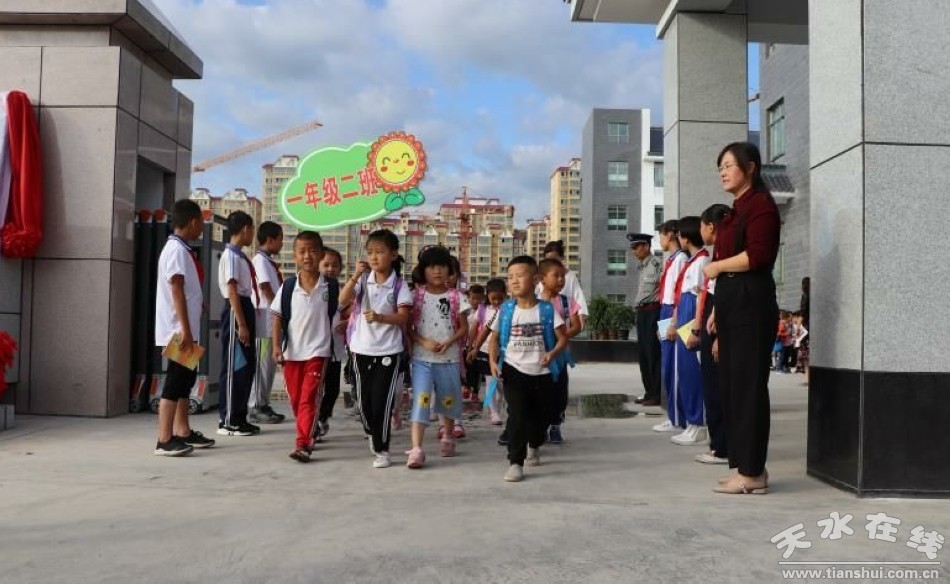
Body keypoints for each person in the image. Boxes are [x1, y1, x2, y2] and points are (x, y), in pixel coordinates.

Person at [703, 141, 781, 495]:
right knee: (732, 387)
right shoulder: (735, 211)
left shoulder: (761, 205)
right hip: (732, 303)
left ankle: (752, 473)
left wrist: (717, 266)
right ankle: (744, 466)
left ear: (750, 168)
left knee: (748, 388)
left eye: (729, 165)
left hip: (752, 304)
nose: (723, 172)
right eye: (720, 166)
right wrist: (716, 311)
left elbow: (758, 255)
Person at [488, 256, 569, 483]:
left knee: (540, 417)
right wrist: (493, 361)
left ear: (535, 280)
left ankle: (535, 443)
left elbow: (563, 338)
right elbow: (494, 339)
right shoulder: (506, 310)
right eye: (510, 277)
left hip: (543, 373)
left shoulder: (546, 310)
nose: (514, 281)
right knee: (517, 415)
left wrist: (552, 354)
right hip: (513, 370)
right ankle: (515, 462)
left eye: (520, 276)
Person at [339, 229, 412, 469]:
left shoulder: (399, 285)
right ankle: (372, 431)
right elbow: (342, 300)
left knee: (382, 402)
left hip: (389, 351)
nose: (374, 257)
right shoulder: (362, 280)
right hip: (360, 349)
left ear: (393, 255)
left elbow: (403, 317)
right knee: (363, 402)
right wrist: (355, 275)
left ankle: (382, 449)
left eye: (379, 252)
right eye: (370, 252)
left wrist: (380, 317)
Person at [153, 199, 215, 456]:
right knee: (175, 382)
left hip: (184, 328)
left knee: (185, 381)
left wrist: (199, 303)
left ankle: (182, 431)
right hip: (179, 331)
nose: (201, 228)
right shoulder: (176, 250)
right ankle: (164, 439)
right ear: (192, 222)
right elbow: (176, 288)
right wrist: (186, 331)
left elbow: (185, 288)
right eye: (200, 222)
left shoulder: (180, 249)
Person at [270, 231, 338, 463]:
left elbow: (341, 311)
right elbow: (277, 317)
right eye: (302, 251)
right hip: (292, 353)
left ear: (321, 254)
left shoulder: (330, 287)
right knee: (297, 400)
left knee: (309, 397)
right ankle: (310, 427)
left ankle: (303, 444)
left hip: (318, 352)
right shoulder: (288, 287)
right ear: (295, 256)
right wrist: (276, 346)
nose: (307, 256)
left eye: (312, 251)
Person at [405, 246, 470, 469]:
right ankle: (416, 448)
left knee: (448, 399)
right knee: (421, 399)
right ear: (423, 270)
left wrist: (449, 342)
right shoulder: (415, 297)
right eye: (432, 267)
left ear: (449, 270)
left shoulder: (457, 297)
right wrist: (423, 341)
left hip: (449, 359)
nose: (437, 271)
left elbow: (464, 328)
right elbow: (408, 328)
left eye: (442, 266)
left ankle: (448, 436)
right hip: (422, 359)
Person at [686, 204, 732, 465]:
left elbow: (723, 297)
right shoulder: (720, 253)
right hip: (711, 321)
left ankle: (722, 448)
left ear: (710, 227)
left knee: (717, 390)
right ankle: (718, 444)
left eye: (702, 226)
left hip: (718, 328)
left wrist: (718, 337)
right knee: (711, 388)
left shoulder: (724, 257)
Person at [217, 211, 260, 437]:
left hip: (245, 307)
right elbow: (232, 290)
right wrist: (241, 324)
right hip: (237, 310)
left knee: (246, 367)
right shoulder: (231, 256)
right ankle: (228, 419)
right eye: (252, 230)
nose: (252, 234)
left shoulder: (240, 256)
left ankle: (240, 416)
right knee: (235, 367)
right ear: (245, 229)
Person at [669, 216, 710, 446]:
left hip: (692, 317)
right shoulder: (693, 262)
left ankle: (699, 423)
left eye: (680, 235)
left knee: (694, 372)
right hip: (684, 313)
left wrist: (696, 328)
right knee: (684, 372)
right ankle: (691, 422)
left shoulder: (702, 262)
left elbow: (701, 296)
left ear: (686, 237)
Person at [537, 258, 581, 444]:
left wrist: (560, 338)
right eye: (556, 275)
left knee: (559, 391)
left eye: (563, 276)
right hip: (538, 356)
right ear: (542, 278)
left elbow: (577, 325)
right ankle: (540, 426)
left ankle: (555, 425)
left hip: (560, 357)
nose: (561, 280)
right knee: (540, 391)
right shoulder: (534, 302)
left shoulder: (566, 302)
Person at [651, 220, 688, 432]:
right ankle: (673, 415)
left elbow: (679, 294)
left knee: (673, 368)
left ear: (671, 235)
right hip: (665, 310)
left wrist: (673, 322)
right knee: (667, 366)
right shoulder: (672, 259)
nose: (660, 241)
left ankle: (677, 418)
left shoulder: (681, 259)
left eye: (661, 236)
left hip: (672, 311)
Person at [249, 221, 286, 425]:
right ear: (270, 240)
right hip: (264, 320)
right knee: (262, 365)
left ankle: (263, 403)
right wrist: (277, 308)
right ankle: (255, 406)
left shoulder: (267, 261)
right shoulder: (260, 261)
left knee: (269, 366)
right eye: (280, 239)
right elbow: (265, 287)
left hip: (271, 321)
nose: (281, 244)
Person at [315, 247, 346, 441]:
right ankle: (314, 424)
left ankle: (323, 416)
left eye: (335, 265)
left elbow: (353, 311)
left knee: (333, 389)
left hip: (335, 349)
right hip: (316, 349)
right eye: (326, 264)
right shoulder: (313, 288)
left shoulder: (342, 290)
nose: (330, 269)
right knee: (314, 389)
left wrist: (347, 321)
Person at [468, 278, 507, 429]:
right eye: (493, 298)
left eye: (500, 298)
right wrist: (472, 346)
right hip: (485, 350)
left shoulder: (508, 309)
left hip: (504, 352)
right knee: (491, 381)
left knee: (502, 384)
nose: (497, 301)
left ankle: (499, 404)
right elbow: (476, 328)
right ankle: (493, 412)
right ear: (487, 296)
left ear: (505, 295)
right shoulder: (483, 309)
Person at [628, 233, 662, 407]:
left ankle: (657, 394)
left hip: (653, 311)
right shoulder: (642, 266)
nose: (634, 251)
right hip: (642, 312)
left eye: (636, 247)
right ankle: (649, 391)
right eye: (632, 248)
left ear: (647, 246)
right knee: (643, 355)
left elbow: (664, 289)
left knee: (652, 354)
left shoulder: (657, 265)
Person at [538, 240, 589, 325]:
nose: (551, 262)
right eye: (548, 260)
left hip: (565, 320)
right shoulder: (543, 277)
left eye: (554, 259)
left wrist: (581, 316)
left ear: (561, 258)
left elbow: (578, 297)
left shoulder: (571, 276)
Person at [463, 284, 486, 401]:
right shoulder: (465, 311)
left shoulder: (485, 311)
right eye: (473, 298)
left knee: (477, 369)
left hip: (479, 345)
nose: (475, 301)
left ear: (483, 298)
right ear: (468, 297)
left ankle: (475, 391)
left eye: (478, 298)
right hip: (466, 344)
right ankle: (466, 387)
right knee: (467, 367)